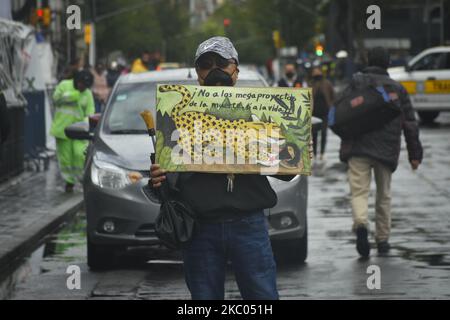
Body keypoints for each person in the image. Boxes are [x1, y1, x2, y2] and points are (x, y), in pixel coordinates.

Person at [150, 36, 295, 300]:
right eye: (206, 64)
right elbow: (166, 181)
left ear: (235, 69)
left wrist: (289, 149)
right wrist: (157, 179)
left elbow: (287, 172)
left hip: (249, 224)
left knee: (262, 298)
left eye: (222, 63)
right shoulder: (177, 115)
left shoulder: (261, 112)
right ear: (198, 74)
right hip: (200, 228)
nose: (215, 70)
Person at [339, 47, 423, 257]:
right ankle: (383, 240)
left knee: (359, 192)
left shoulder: (356, 82)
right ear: (388, 64)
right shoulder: (397, 88)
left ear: (368, 61)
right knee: (384, 195)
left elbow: (340, 110)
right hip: (386, 150)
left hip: (358, 146)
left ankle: (360, 224)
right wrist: (415, 155)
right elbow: (410, 124)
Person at [50, 70, 95, 193]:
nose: (82, 88)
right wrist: (73, 95)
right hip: (62, 130)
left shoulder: (88, 94)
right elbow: (55, 99)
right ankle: (69, 183)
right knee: (65, 159)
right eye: (81, 84)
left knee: (80, 155)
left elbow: (90, 112)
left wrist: (86, 124)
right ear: (77, 81)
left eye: (85, 86)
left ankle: (81, 181)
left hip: (79, 132)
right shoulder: (64, 85)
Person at [310, 67, 335, 160]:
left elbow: (333, 96)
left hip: (325, 112)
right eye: (314, 72)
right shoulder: (311, 84)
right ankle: (315, 153)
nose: (316, 74)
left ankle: (322, 153)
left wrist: (331, 106)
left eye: (317, 71)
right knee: (314, 134)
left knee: (324, 133)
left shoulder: (327, 83)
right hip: (314, 113)